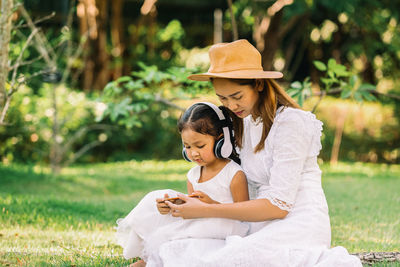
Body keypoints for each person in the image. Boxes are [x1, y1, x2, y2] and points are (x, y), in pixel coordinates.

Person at [143, 39, 363, 266]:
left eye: (237, 96)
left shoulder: (290, 123)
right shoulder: (242, 122)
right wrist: (205, 205)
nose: (230, 106)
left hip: (297, 224)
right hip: (256, 222)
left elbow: (278, 206)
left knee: (226, 260)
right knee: (183, 248)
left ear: (258, 84)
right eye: (223, 98)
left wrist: (209, 210)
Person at [115, 102, 250, 267]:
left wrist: (212, 205)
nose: (193, 153)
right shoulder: (193, 175)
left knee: (182, 232)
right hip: (200, 222)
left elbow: (245, 216)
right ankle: (153, 255)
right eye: (187, 146)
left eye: (200, 146)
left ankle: (154, 258)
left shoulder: (234, 174)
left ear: (221, 141)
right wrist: (173, 206)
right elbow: (192, 209)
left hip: (226, 225)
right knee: (154, 199)